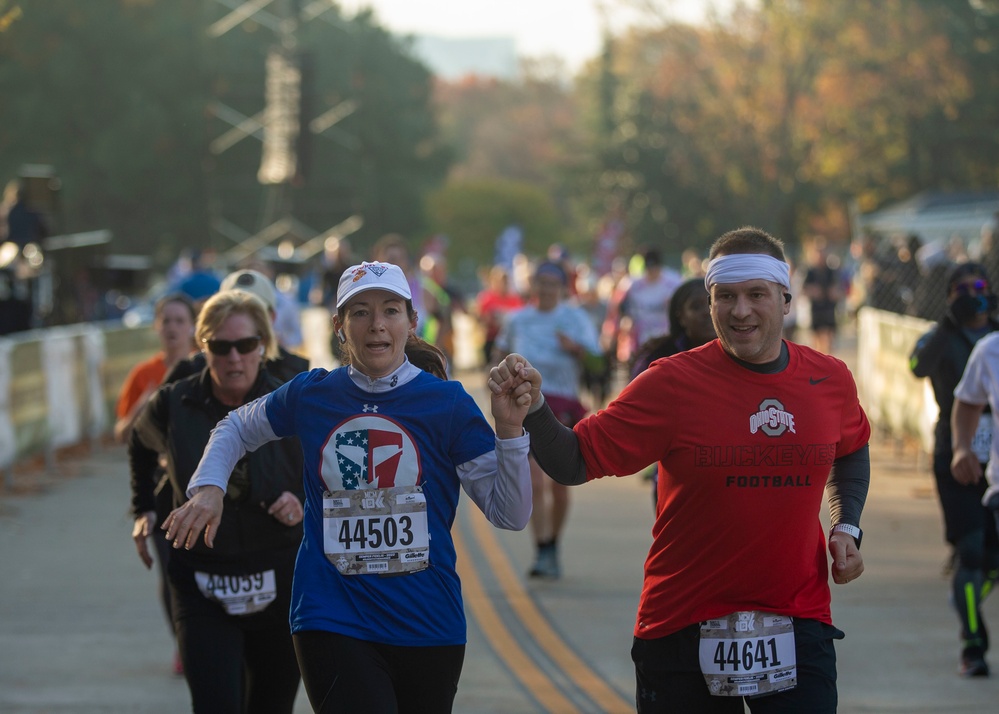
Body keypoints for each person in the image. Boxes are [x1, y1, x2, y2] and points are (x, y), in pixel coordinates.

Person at [490, 226, 871, 712]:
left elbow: (852, 448)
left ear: (786, 300)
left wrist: (847, 525)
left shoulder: (828, 378)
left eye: (757, 295)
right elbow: (573, 461)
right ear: (709, 303)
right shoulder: (671, 383)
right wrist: (535, 408)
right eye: (725, 297)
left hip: (796, 620)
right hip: (683, 624)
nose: (740, 311)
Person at [160, 260, 533, 714]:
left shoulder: (447, 404)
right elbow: (235, 427)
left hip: (428, 622)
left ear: (411, 321)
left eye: (390, 310)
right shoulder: (312, 394)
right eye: (359, 312)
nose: (376, 324)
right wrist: (208, 488)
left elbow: (510, 514)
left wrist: (511, 431)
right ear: (339, 326)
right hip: (332, 617)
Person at [129, 290, 305, 713]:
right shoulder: (175, 402)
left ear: (263, 346)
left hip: (280, 582)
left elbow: (330, 471)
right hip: (201, 584)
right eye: (220, 347)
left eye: (245, 345)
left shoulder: (292, 403)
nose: (234, 358)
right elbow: (139, 439)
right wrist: (143, 507)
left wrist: (300, 499)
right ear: (201, 346)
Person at [916, 262, 999, 677]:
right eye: (962, 289)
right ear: (949, 295)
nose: (972, 294)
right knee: (970, 550)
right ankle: (973, 644)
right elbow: (917, 366)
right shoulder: (942, 338)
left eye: (979, 286)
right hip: (957, 458)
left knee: (992, 560)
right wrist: (948, 325)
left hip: (995, 461)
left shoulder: (996, 337)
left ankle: (966, 593)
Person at [493, 260, 601, 579]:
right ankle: (541, 549)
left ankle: (554, 542)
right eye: (541, 282)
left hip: (563, 404)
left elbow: (598, 361)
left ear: (563, 288)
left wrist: (576, 349)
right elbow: (497, 353)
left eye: (553, 284)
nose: (546, 289)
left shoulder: (575, 318)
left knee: (560, 483)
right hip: (525, 402)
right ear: (532, 286)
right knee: (534, 481)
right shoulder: (518, 319)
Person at [115, 292, 197, 675]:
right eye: (167, 321)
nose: (173, 328)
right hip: (162, 488)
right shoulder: (144, 374)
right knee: (171, 571)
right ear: (157, 326)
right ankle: (184, 643)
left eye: (181, 321)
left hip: (201, 485)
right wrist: (141, 406)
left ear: (194, 327)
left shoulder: (208, 367)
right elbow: (122, 434)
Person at [629, 277, 717, 507]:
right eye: (696, 306)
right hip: (675, 478)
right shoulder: (658, 357)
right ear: (680, 315)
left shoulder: (746, 356)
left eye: (711, 303)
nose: (705, 313)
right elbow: (633, 407)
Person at [165, 268, 309, 384]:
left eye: (255, 311)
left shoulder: (295, 374)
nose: (234, 357)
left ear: (271, 317)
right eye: (230, 309)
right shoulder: (189, 371)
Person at [802, 238, 843, 354]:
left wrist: (835, 293)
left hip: (829, 309)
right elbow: (804, 290)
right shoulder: (810, 272)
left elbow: (839, 289)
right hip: (816, 310)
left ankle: (828, 362)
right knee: (816, 341)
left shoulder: (831, 271)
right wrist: (813, 292)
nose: (820, 255)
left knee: (829, 339)